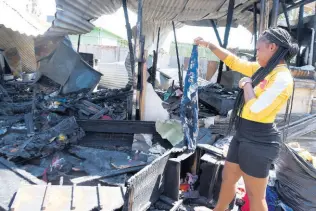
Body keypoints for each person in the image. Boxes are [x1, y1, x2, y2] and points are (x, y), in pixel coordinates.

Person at [194, 27, 299, 211]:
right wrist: (210, 45)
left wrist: (247, 83)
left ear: (272, 47)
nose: (256, 53)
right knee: (228, 179)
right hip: (242, 133)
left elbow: (256, 109)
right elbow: (234, 62)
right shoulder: (264, 69)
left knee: (255, 195)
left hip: (260, 140)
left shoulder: (282, 78)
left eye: (258, 49)